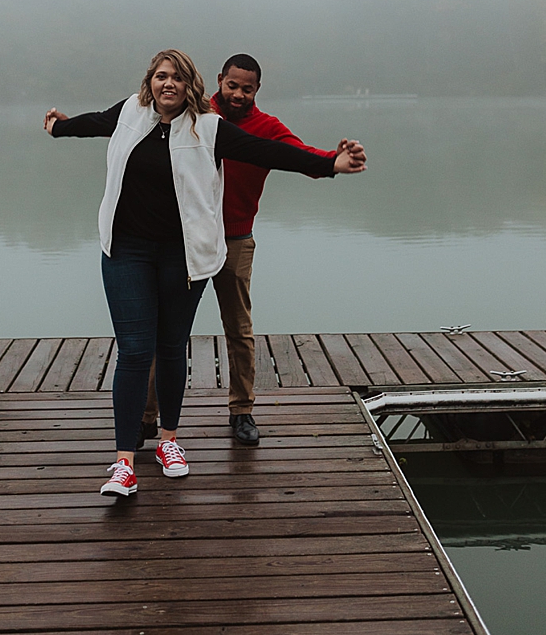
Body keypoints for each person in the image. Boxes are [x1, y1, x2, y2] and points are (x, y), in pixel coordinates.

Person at [45, 49, 366, 498]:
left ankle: (170, 441)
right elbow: (94, 123)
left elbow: (270, 151)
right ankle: (123, 464)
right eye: (160, 76)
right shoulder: (129, 112)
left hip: (185, 254)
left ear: (191, 84)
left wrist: (331, 164)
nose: (168, 84)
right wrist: (60, 126)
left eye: (177, 77)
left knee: (173, 346)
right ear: (150, 81)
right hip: (127, 251)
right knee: (136, 351)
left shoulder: (209, 127)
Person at [138, 53, 355, 448]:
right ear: (220, 79)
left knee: (239, 329)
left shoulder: (267, 128)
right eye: (232, 85)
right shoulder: (194, 115)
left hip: (236, 240)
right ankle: (146, 417)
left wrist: (332, 161)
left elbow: (296, 154)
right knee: (164, 330)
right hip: (184, 242)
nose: (238, 94)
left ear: (257, 89)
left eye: (247, 89)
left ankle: (241, 412)